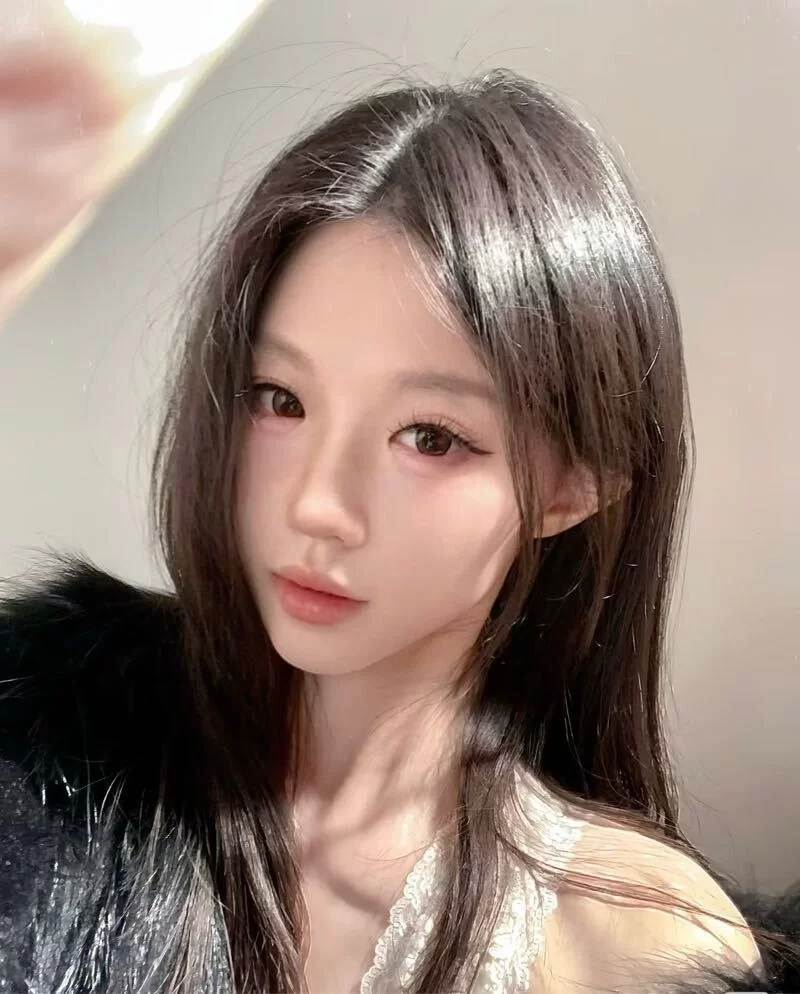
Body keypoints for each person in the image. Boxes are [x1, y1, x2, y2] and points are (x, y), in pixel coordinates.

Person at [0, 53, 793, 993]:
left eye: (430, 437)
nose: (317, 504)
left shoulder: (634, 946)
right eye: (280, 399)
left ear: (573, 487)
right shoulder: (42, 784)